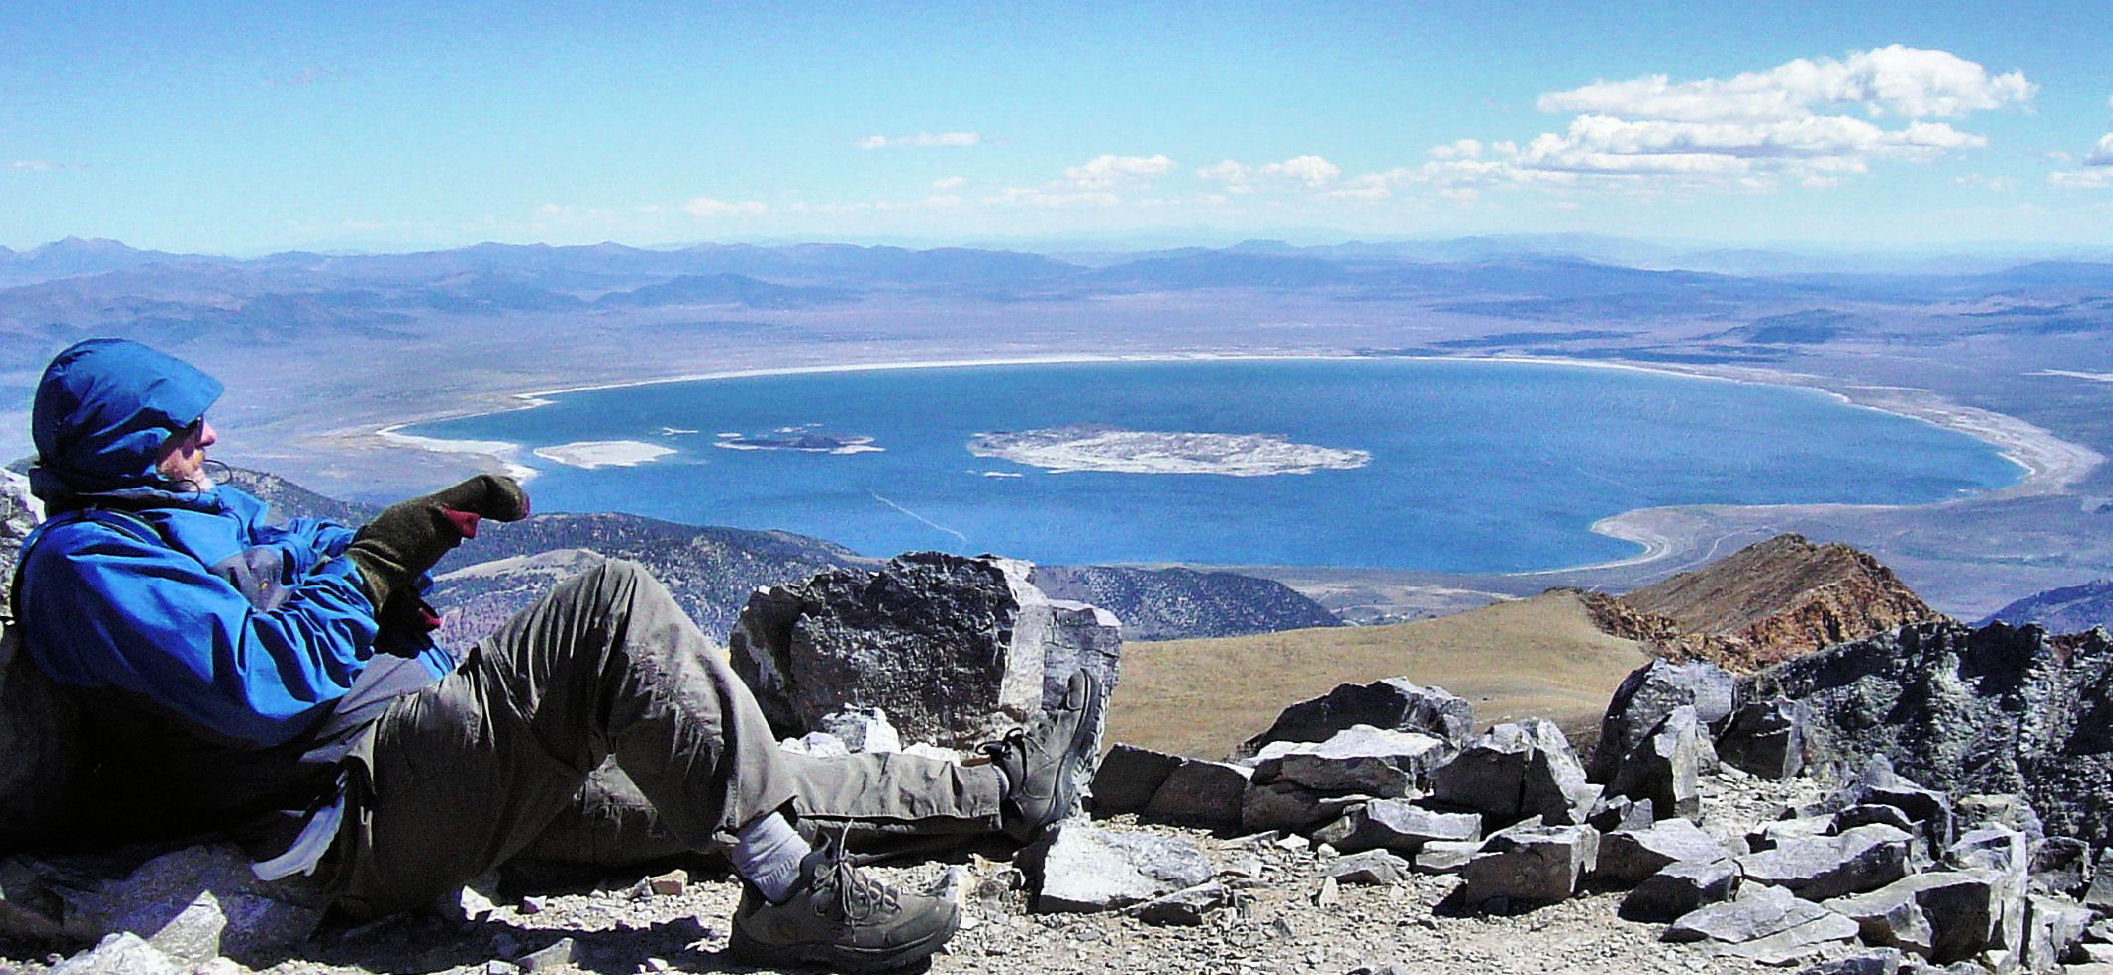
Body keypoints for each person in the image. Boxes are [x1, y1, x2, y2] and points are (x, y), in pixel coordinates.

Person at [13, 338, 1106, 973]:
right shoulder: (88, 567)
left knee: (708, 777)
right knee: (609, 602)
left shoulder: (183, 516)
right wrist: (368, 572)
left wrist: (370, 578)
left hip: (429, 767)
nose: (207, 440)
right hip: (350, 813)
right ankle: (791, 903)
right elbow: (252, 687)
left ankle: (1002, 790)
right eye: (178, 427)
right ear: (119, 444)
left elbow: (298, 548)